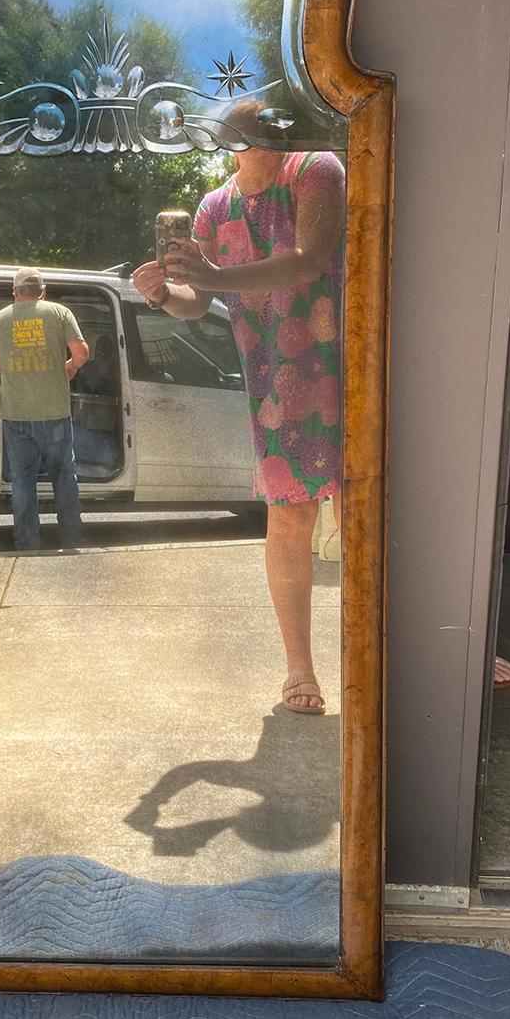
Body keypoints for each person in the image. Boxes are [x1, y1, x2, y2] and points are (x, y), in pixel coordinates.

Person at [133, 114, 345, 713]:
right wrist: (161, 293)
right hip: (280, 389)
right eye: (237, 133)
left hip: (354, 363)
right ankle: (299, 669)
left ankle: (432, 650)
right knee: (291, 518)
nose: (249, 142)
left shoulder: (314, 168)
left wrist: (215, 275)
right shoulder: (215, 208)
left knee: (376, 517)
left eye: (258, 130)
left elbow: (309, 260)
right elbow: (195, 303)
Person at [0, 267, 89, 551]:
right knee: (63, 476)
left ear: (15, 292)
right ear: (42, 291)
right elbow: (81, 353)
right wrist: (67, 369)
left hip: (15, 413)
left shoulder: (0, 319)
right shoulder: (58, 313)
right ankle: (70, 537)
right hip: (54, 412)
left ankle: (27, 541)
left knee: (23, 480)